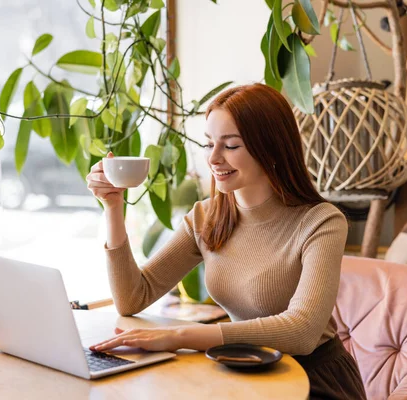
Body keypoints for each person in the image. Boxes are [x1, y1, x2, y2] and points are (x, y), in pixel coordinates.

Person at [86, 83, 366, 399]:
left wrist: (179, 335)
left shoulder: (321, 221)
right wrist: (113, 208)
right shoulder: (206, 217)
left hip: (312, 378)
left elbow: (301, 331)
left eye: (231, 146)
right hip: (242, 370)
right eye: (208, 144)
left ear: (271, 148)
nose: (214, 159)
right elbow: (133, 297)